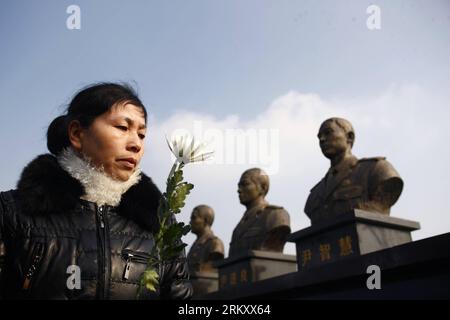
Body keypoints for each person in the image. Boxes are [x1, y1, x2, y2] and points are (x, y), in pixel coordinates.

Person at [0, 83, 192, 299]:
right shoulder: (12, 212)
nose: (136, 144)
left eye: (141, 134)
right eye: (122, 127)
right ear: (76, 134)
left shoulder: (161, 225)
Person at [304, 117, 403, 225]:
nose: (322, 139)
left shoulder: (377, 169)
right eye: (319, 137)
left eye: (328, 133)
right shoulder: (315, 194)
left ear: (349, 137)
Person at [229, 168, 291, 257]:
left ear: (263, 187)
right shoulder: (238, 228)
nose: (239, 190)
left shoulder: (276, 215)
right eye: (239, 186)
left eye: (245, 184)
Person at [187, 205, 224, 273]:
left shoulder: (215, 243)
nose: (190, 222)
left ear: (205, 220)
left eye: (194, 218)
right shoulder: (195, 246)